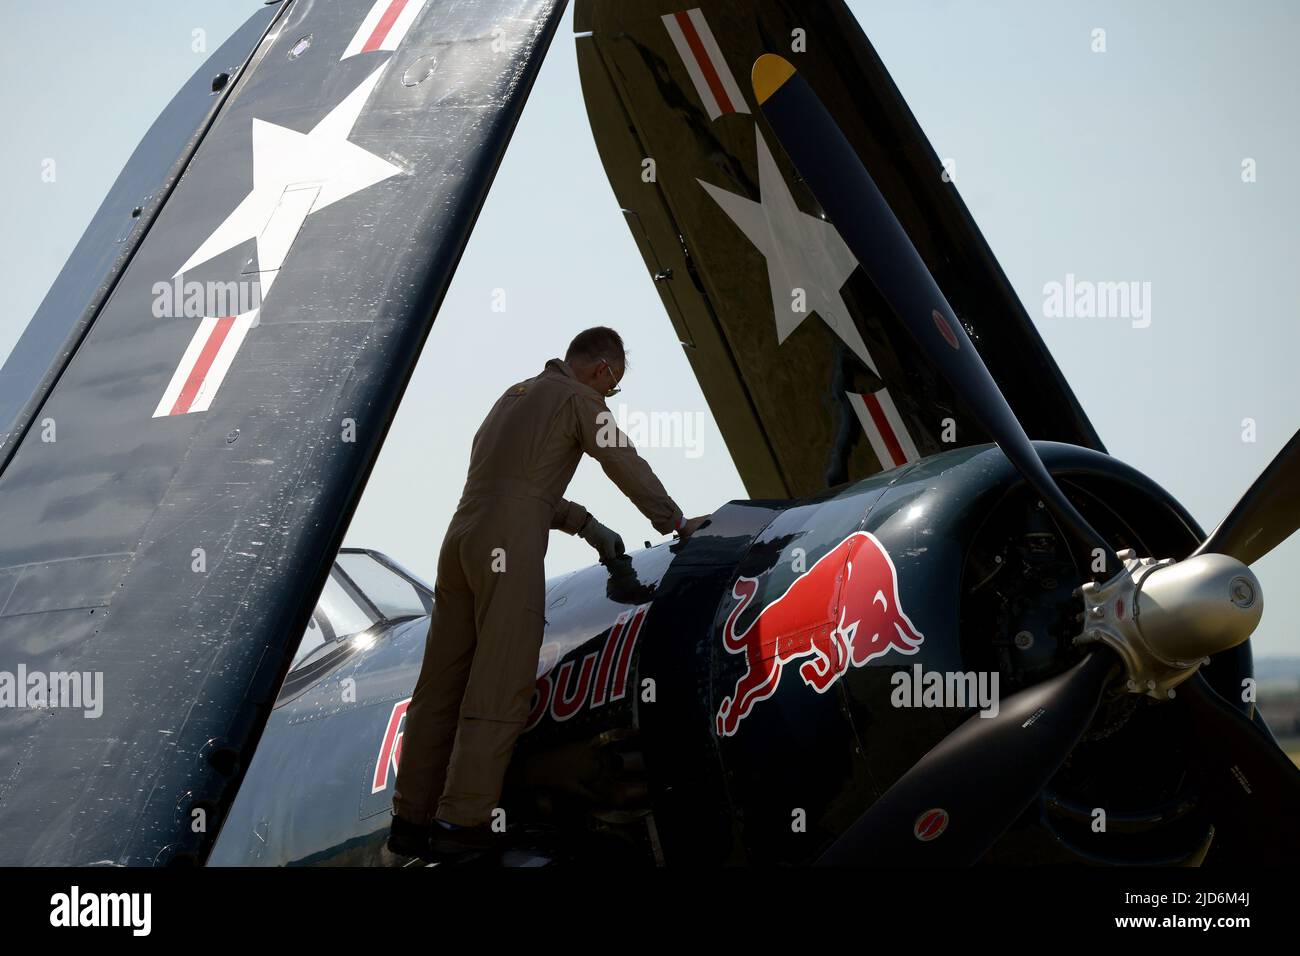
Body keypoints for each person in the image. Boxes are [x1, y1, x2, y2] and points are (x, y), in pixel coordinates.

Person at [388, 327, 708, 860]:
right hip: (508, 544)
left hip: (460, 538)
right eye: (614, 386)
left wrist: (586, 524)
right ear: (602, 370)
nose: (609, 397)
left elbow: (518, 486)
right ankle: (462, 822)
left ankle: (409, 821)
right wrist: (672, 519)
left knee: (439, 684)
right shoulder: (579, 398)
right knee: (502, 676)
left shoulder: (510, 398)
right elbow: (620, 459)